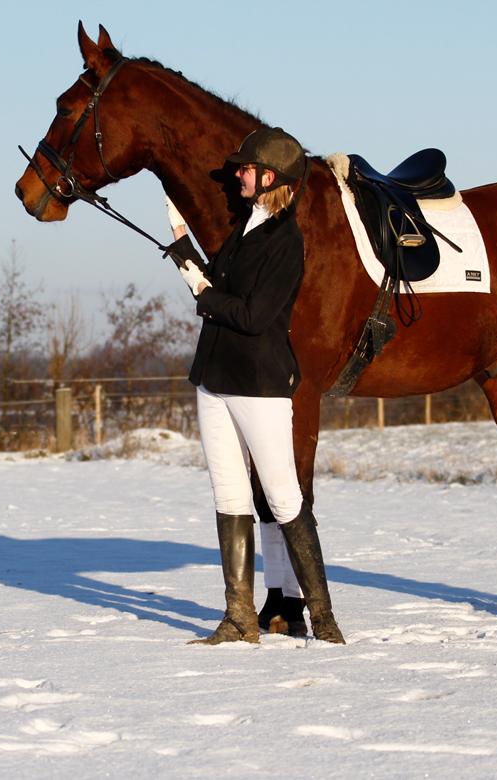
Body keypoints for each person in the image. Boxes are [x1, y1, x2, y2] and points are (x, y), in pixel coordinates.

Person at [163, 127, 345, 645]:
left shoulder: (286, 242)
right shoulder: (243, 229)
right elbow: (216, 286)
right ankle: (240, 618)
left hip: (259, 385)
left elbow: (252, 315)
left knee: (285, 498)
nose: (237, 174)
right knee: (229, 495)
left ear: (271, 178)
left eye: (246, 168)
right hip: (214, 378)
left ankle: (324, 620)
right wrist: (182, 248)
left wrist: (202, 292)